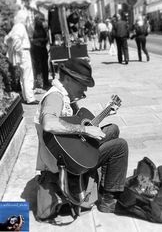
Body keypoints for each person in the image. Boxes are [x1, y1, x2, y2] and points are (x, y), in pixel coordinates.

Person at [34, 58, 128, 214]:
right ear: (69, 79)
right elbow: (49, 124)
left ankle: (104, 182)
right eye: (83, 84)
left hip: (69, 149)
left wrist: (104, 113)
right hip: (62, 161)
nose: (85, 89)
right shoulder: (54, 97)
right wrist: (84, 131)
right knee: (120, 146)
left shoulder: (65, 97)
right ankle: (108, 199)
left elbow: (80, 125)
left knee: (112, 129)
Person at [4, 9, 38, 105]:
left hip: (22, 52)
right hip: (24, 52)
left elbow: (7, 39)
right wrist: (18, 51)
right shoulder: (20, 26)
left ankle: (26, 96)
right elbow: (15, 39)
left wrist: (15, 50)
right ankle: (30, 98)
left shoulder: (16, 26)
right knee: (28, 76)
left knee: (23, 77)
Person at [30, 13, 50, 90]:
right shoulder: (32, 29)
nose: (41, 21)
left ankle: (45, 82)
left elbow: (46, 39)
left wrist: (42, 40)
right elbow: (31, 40)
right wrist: (40, 40)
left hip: (42, 49)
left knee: (44, 67)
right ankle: (39, 83)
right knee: (37, 67)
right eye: (40, 20)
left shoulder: (43, 28)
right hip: (36, 50)